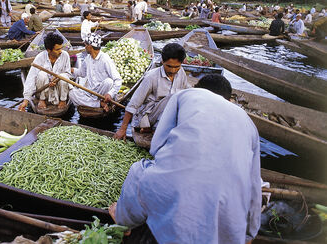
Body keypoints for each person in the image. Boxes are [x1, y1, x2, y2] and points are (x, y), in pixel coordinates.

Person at [109, 74, 261, 244]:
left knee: (139, 171)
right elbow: (254, 185)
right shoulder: (248, 122)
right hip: (230, 216)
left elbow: (158, 146)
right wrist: (249, 235)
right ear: (229, 98)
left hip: (179, 196)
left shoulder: (185, 95)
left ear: (197, 88)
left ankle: (123, 221)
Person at [114, 43, 188, 140]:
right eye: (169, 66)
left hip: (166, 115)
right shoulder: (151, 77)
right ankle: (152, 128)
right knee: (173, 98)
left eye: (177, 67)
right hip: (149, 116)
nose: (173, 70)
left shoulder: (181, 73)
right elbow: (133, 104)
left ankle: (157, 129)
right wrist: (122, 129)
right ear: (162, 61)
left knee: (182, 99)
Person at [69, 33, 122, 112]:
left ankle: (96, 102)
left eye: (85, 45)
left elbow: (118, 80)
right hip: (90, 92)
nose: (85, 47)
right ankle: (98, 104)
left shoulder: (105, 59)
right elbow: (81, 73)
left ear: (90, 46)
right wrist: (71, 70)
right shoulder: (87, 59)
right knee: (72, 93)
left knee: (109, 82)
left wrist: (110, 94)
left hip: (102, 93)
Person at [19, 32, 71, 110]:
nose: (60, 51)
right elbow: (31, 78)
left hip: (59, 91)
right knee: (41, 74)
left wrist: (57, 78)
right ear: (49, 50)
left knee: (63, 76)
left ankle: (63, 100)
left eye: (61, 48)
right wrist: (26, 100)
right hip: (44, 91)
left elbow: (68, 73)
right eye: (57, 49)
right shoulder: (40, 57)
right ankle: (42, 99)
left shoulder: (65, 55)